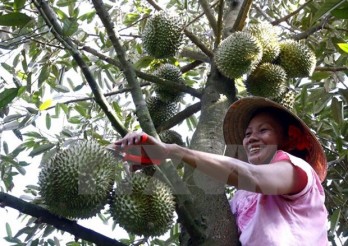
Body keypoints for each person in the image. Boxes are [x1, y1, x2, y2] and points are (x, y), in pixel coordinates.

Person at [111, 96, 328, 245]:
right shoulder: (241, 198)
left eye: (264, 130)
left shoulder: (300, 171)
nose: (252, 137)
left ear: (287, 140)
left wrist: (173, 151)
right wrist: (154, 163)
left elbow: (251, 176)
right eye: (247, 133)